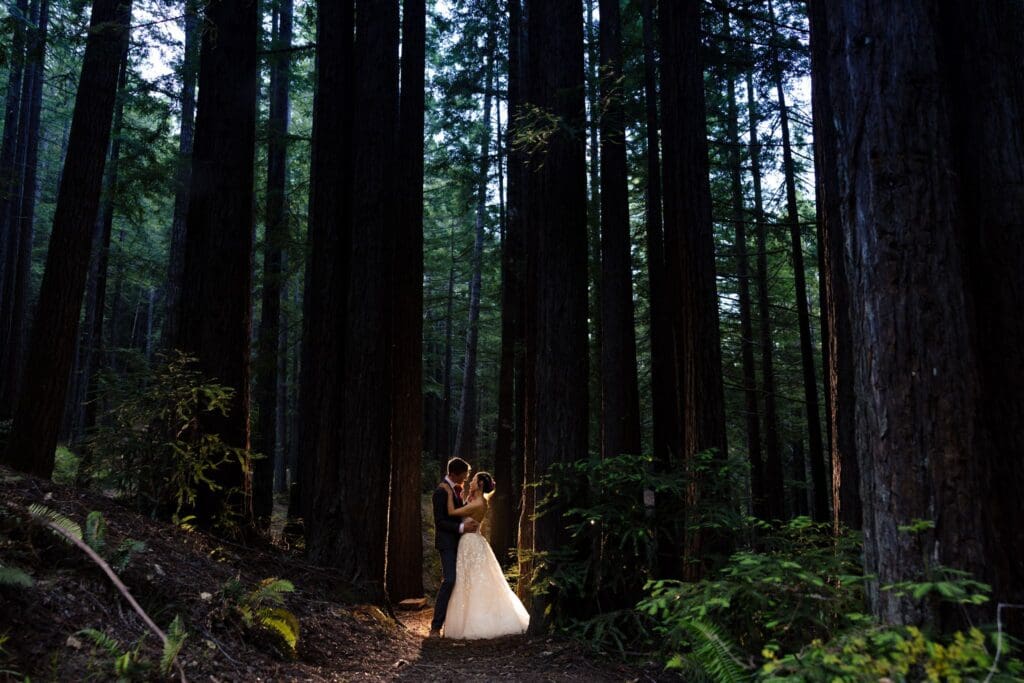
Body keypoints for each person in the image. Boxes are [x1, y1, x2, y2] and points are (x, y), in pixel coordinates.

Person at [439, 471, 530, 639]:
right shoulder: (478, 500)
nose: (470, 482)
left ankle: (476, 620)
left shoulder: (479, 503)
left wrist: (448, 491)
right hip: (471, 541)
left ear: (480, 484)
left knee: (471, 581)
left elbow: (452, 512)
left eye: (474, 480)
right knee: (470, 580)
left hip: (470, 542)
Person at [429, 457, 479, 637]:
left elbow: (457, 513)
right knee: (449, 580)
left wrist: (468, 505)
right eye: (464, 474)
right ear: (454, 473)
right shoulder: (441, 492)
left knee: (459, 582)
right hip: (447, 543)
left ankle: (455, 624)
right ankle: (435, 626)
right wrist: (461, 527)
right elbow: (440, 522)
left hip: (460, 543)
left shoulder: (454, 490)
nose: (466, 477)